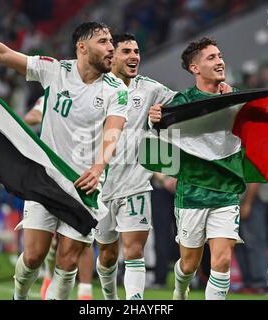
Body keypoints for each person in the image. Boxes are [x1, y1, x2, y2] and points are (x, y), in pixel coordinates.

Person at [0, 18, 128, 300]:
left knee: (67, 261)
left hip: (84, 185)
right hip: (44, 179)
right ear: (82, 47)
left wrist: (99, 167)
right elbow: (2, 54)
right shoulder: (55, 70)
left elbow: (113, 132)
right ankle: (19, 296)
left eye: (111, 41)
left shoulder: (116, 89)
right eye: (104, 42)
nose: (112, 48)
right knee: (34, 256)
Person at [149, 37, 268, 300]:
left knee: (221, 262)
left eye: (220, 55)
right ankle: (180, 290)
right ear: (194, 68)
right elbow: (156, 138)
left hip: (227, 192)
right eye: (211, 57)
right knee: (188, 264)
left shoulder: (235, 100)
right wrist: (155, 118)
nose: (220, 61)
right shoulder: (181, 103)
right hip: (192, 194)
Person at [94, 33, 176, 300]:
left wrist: (220, 93)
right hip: (99, 186)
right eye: (126, 51)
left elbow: (186, 103)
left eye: (136, 51)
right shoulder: (95, 87)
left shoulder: (151, 89)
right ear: (112, 56)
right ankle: (109, 298)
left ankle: (134, 302)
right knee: (107, 254)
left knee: (134, 251)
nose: (134, 57)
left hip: (135, 184)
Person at [23, 96, 95, 300]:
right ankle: (47, 275)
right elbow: (31, 116)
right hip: (51, 178)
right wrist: (47, 118)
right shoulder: (54, 93)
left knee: (83, 237)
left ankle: (85, 293)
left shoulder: (100, 94)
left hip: (83, 176)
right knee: (46, 244)